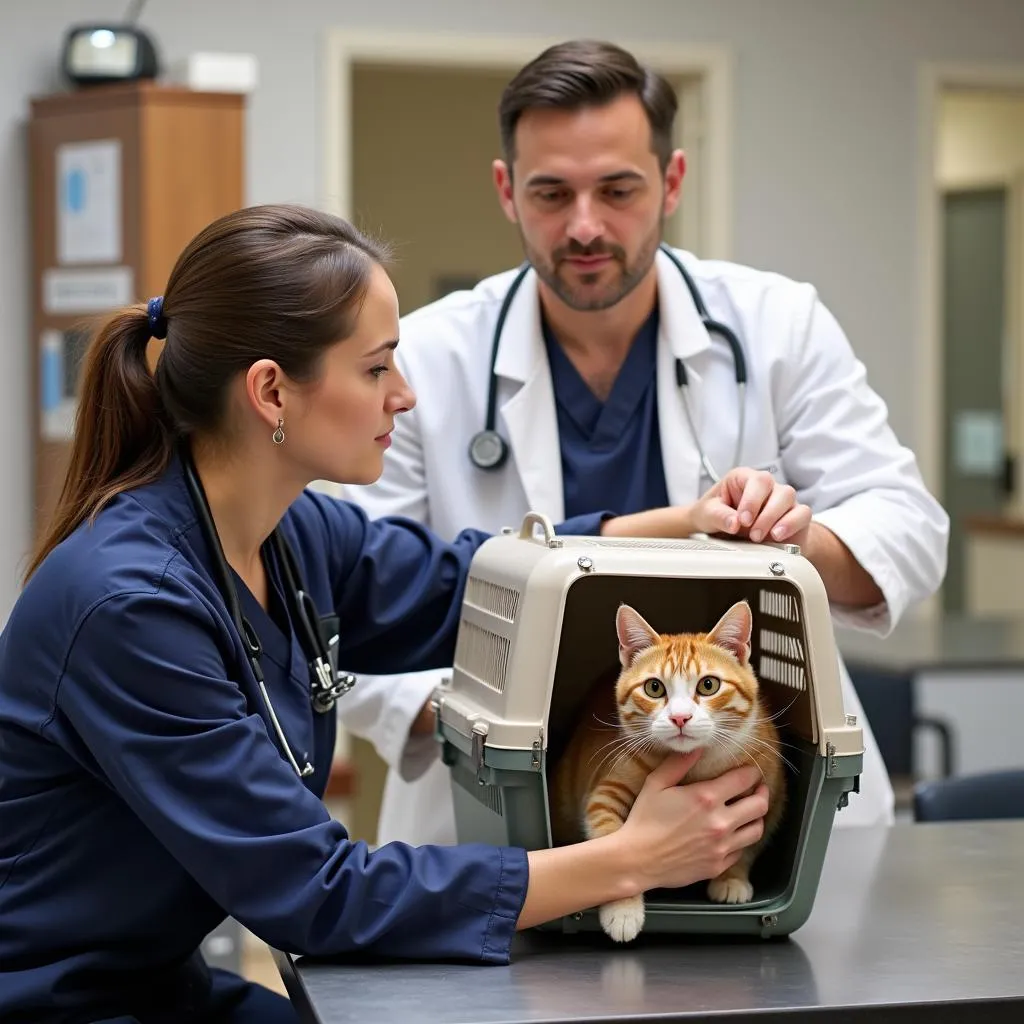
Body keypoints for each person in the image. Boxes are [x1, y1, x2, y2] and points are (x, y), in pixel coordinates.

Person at [0, 204, 781, 1024]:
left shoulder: (289, 534)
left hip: (158, 985)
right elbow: (317, 893)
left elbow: (468, 588)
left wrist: (682, 521)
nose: (404, 397)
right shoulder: (132, 606)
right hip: (55, 1003)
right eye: (377, 369)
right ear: (271, 391)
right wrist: (630, 859)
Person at [339, 39, 949, 847]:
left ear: (671, 182)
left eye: (617, 189)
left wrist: (800, 538)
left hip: (757, 796)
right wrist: (505, 722)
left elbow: (909, 526)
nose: (585, 225)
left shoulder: (776, 325)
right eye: (551, 192)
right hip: (504, 803)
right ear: (506, 192)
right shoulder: (427, 356)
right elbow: (346, 594)